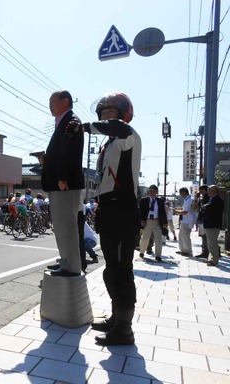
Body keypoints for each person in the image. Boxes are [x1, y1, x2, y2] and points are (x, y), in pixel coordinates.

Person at [80, 92, 141, 346]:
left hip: (123, 208)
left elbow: (117, 128)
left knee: (122, 270)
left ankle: (124, 330)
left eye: (110, 113)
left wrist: (84, 127)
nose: (105, 119)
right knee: (111, 269)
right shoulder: (108, 144)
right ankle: (117, 318)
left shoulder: (128, 135)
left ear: (123, 113)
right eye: (101, 114)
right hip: (108, 209)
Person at [40, 90, 85, 277]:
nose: (50, 104)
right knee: (61, 225)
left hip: (64, 184)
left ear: (65, 101)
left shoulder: (71, 122)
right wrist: (47, 159)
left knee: (66, 225)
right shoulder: (64, 122)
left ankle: (72, 265)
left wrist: (62, 178)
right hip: (60, 183)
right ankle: (66, 261)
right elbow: (61, 153)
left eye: (53, 101)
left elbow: (69, 153)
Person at [138, 185, 167, 262]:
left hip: (157, 221)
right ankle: (142, 252)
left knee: (158, 239)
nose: (151, 192)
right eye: (150, 191)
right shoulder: (144, 200)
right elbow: (140, 212)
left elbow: (163, 214)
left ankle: (158, 255)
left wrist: (165, 225)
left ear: (156, 192)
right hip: (147, 221)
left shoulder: (160, 201)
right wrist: (141, 220)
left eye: (153, 191)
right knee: (145, 238)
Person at [201, 185, 224, 266]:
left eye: (209, 190)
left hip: (213, 224)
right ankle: (211, 258)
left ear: (213, 190)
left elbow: (208, 208)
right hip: (210, 224)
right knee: (210, 242)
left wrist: (204, 207)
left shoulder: (217, 199)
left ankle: (214, 260)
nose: (207, 191)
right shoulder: (212, 199)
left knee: (212, 242)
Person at [174, 187, 196, 256]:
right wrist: (180, 209)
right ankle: (183, 249)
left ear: (184, 193)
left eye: (181, 193)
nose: (180, 195)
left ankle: (188, 251)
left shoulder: (189, 200)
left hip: (187, 220)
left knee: (185, 236)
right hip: (184, 220)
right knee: (181, 235)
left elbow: (185, 212)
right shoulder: (187, 200)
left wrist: (176, 211)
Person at [195, 185, 210, 258]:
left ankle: (206, 252)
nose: (200, 192)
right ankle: (204, 251)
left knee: (205, 237)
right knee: (203, 236)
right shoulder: (203, 197)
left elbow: (203, 208)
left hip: (205, 219)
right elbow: (198, 207)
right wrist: (197, 198)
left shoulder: (208, 197)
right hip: (202, 218)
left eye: (201, 190)